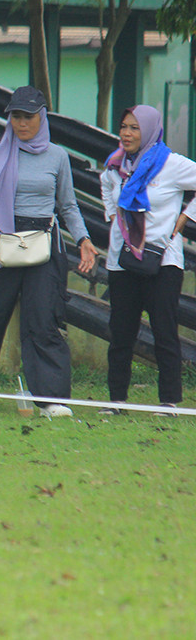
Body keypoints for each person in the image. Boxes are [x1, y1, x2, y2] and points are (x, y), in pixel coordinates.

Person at [0, 86, 97, 418]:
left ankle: (51, 400)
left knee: (44, 320)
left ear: (41, 117)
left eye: (28, 116)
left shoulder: (57, 156)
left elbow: (68, 205)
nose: (21, 123)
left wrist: (84, 239)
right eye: (15, 116)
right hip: (1, 241)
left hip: (43, 244)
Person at [101, 105, 196, 414]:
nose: (126, 134)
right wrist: (113, 216)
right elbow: (106, 187)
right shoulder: (115, 165)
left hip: (162, 261)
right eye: (123, 127)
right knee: (121, 332)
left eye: (134, 128)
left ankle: (168, 401)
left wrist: (185, 218)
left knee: (164, 332)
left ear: (150, 130)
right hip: (122, 260)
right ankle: (116, 401)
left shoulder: (170, 164)